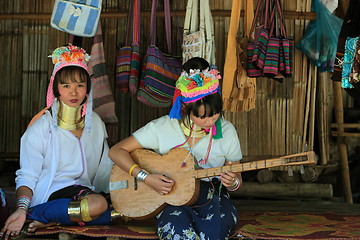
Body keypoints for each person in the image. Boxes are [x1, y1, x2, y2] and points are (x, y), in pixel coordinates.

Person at [109, 57, 242, 239]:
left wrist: (233, 182)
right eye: (203, 116)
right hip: (171, 196)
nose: (211, 121)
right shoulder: (162, 128)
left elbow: (237, 175)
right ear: (187, 107)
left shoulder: (227, 130)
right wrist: (146, 177)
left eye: (215, 114)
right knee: (177, 232)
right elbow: (116, 151)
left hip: (212, 195)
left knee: (215, 232)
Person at [0, 45, 116, 240]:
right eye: (66, 86)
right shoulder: (40, 128)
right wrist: (21, 209)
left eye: (80, 85)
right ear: (56, 88)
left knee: (120, 211)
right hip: (52, 195)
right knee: (99, 207)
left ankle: (57, 219)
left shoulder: (94, 123)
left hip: (85, 194)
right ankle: (36, 214)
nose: (74, 92)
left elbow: (105, 167)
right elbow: (27, 176)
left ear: (87, 87)